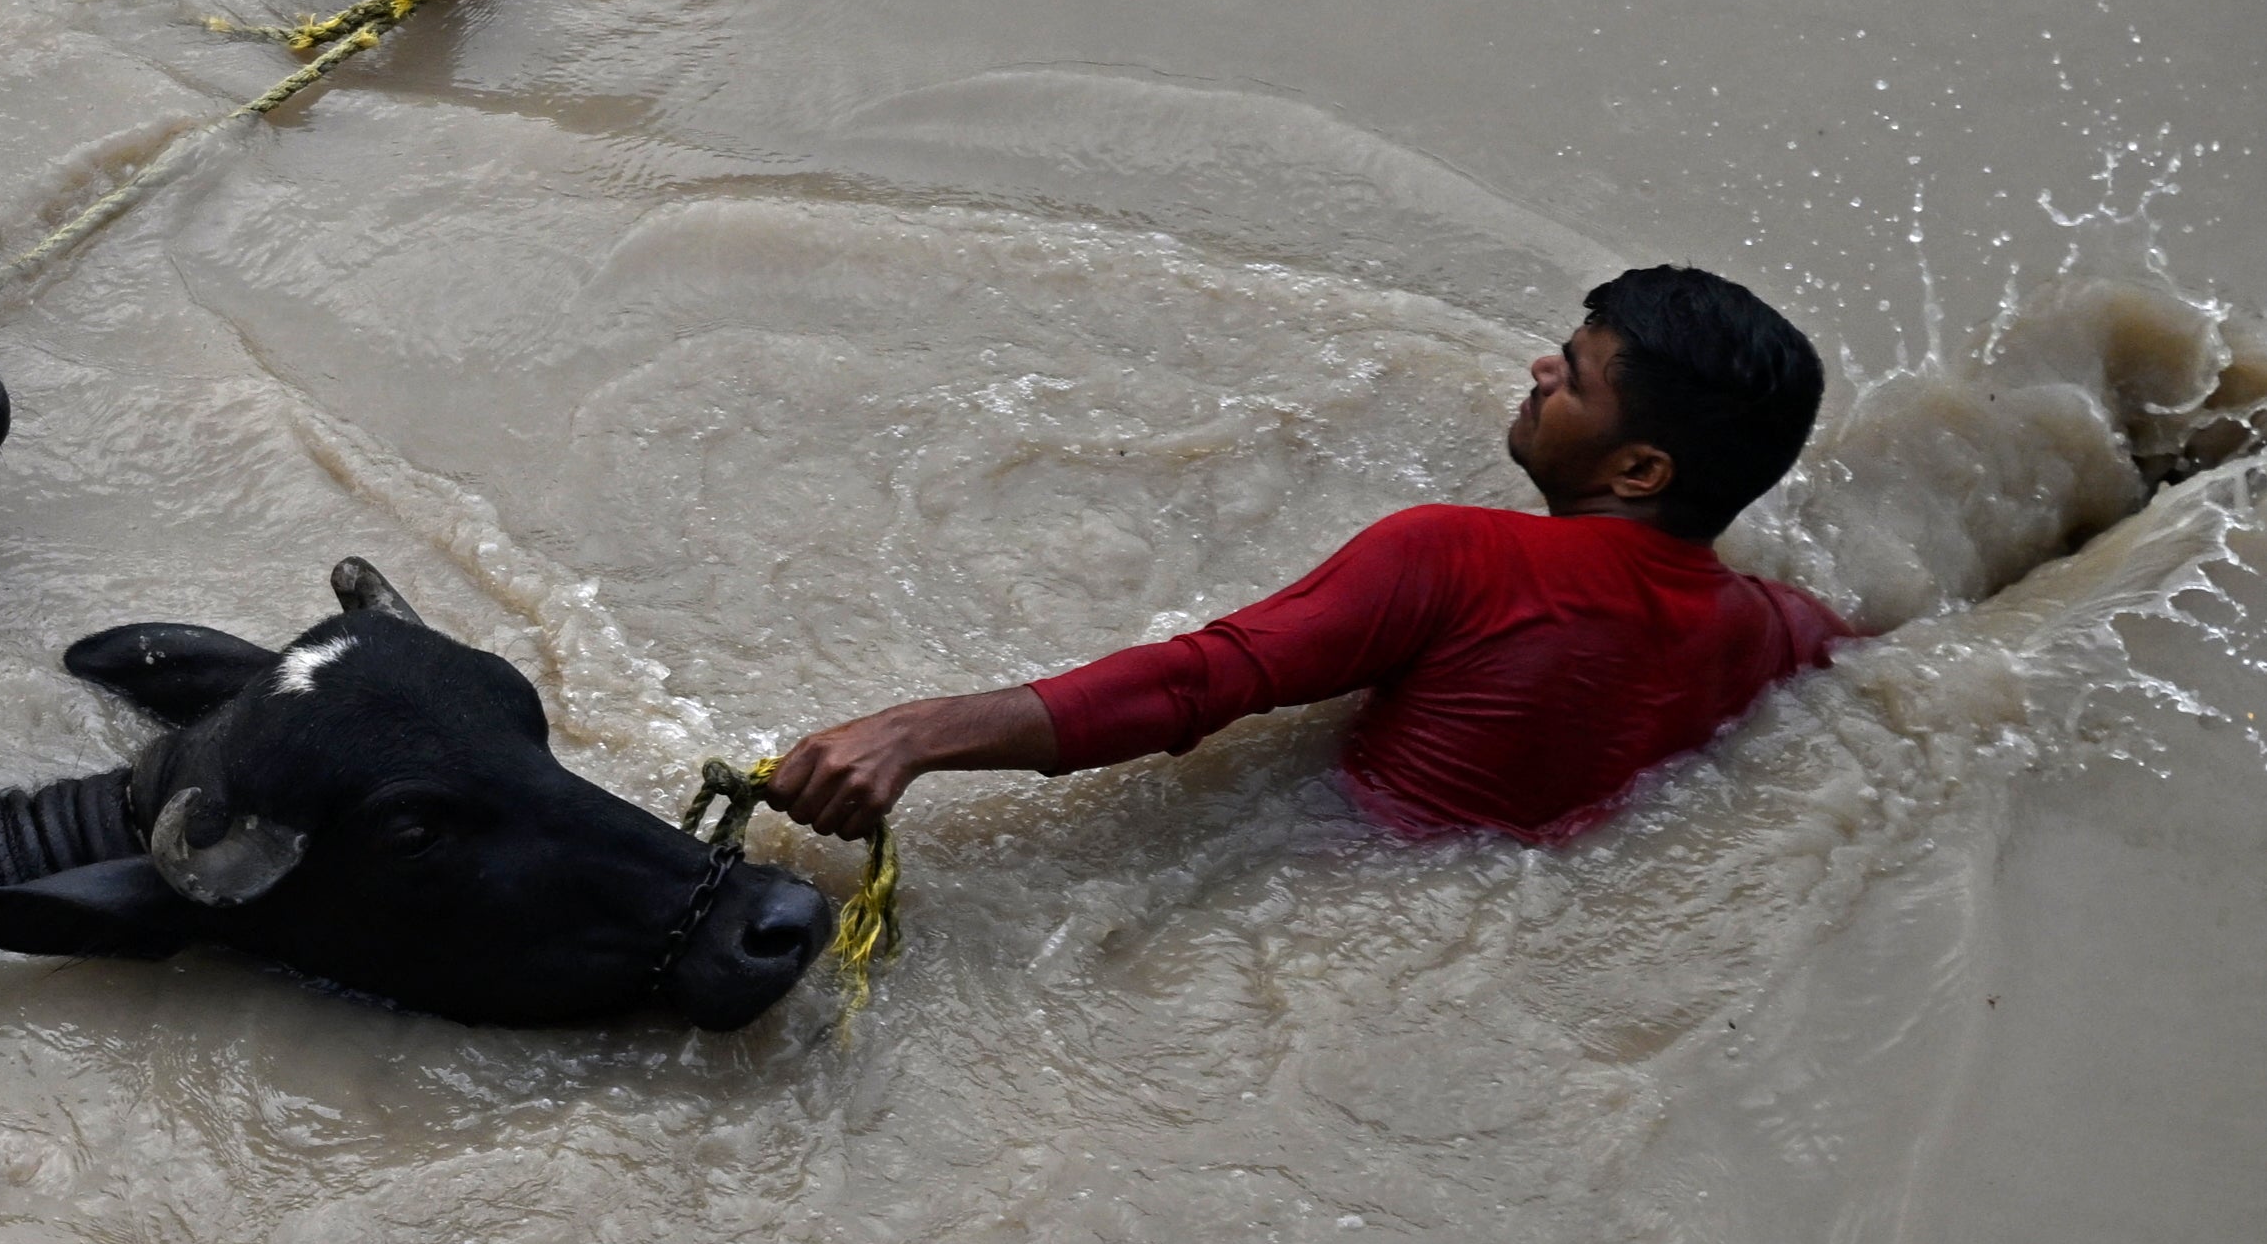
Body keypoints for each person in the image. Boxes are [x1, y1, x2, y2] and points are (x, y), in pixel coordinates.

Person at [765, 269, 1844, 848]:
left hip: (1323, 869)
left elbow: (1200, 682)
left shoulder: (1457, 556)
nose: (1539, 371)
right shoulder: (1768, 630)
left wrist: (913, 734)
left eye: (1573, 374)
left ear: (1642, 470)